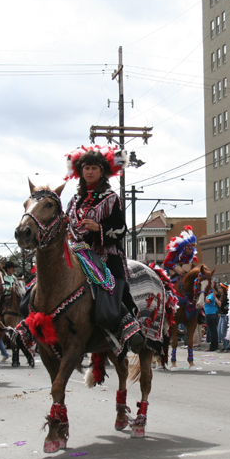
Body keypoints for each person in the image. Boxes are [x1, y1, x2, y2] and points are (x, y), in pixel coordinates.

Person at [64, 144, 144, 353]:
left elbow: (121, 230)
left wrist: (99, 228)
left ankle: (129, 326)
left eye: (94, 168)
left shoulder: (111, 199)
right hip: (75, 253)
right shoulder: (74, 201)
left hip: (105, 254)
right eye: (86, 168)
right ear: (80, 172)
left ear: (102, 172)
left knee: (111, 284)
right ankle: (26, 325)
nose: (89, 172)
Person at [204, 281, 220, 352]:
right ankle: (213, 345)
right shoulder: (210, 294)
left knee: (212, 330)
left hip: (211, 313)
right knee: (212, 330)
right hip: (209, 313)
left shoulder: (212, 294)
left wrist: (203, 297)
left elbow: (208, 301)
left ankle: (213, 346)